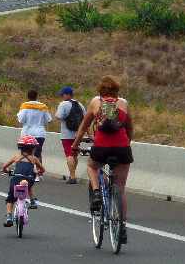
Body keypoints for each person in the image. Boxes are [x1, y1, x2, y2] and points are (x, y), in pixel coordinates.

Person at [70, 76, 133, 244]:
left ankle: (97, 192)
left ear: (100, 90)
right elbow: (129, 128)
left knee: (92, 167)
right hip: (122, 147)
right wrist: (127, 144)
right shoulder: (124, 104)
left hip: (102, 146)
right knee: (120, 187)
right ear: (117, 90)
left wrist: (75, 146)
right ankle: (123, 228)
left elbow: (84, 127)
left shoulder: (95, 102)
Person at [1, 135, 45, 227]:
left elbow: (4, 167)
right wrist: (38, 172)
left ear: (20, 148)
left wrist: (6, 170)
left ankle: (9, 217)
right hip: (28, 179)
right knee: (28, 185)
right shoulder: (34, 159)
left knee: (10, 198)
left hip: (16, 179)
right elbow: (42, 169)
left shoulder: (16, 157)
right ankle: (32, 201)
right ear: (33, 149)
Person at [16, 89, 50, 207]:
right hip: (40, 133)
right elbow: (48, 120)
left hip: (27, 133)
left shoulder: (25, 105)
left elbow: (20, 119)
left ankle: (28, 172)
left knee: (26, 155)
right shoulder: (43, 106)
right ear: (37, 96)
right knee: (38, 153)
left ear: (28, 96)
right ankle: (38, 174)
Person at [55, 86, 85, 184]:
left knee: (69, 154)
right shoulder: (79, 104)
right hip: (78, 134)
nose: (62, 96)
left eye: (63, 94)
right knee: (75, 155)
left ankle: (72, 177)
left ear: (67, 95)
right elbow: (85, 119)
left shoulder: (63, 104)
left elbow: (58, 116)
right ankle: (73, 174)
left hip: (66, 134)